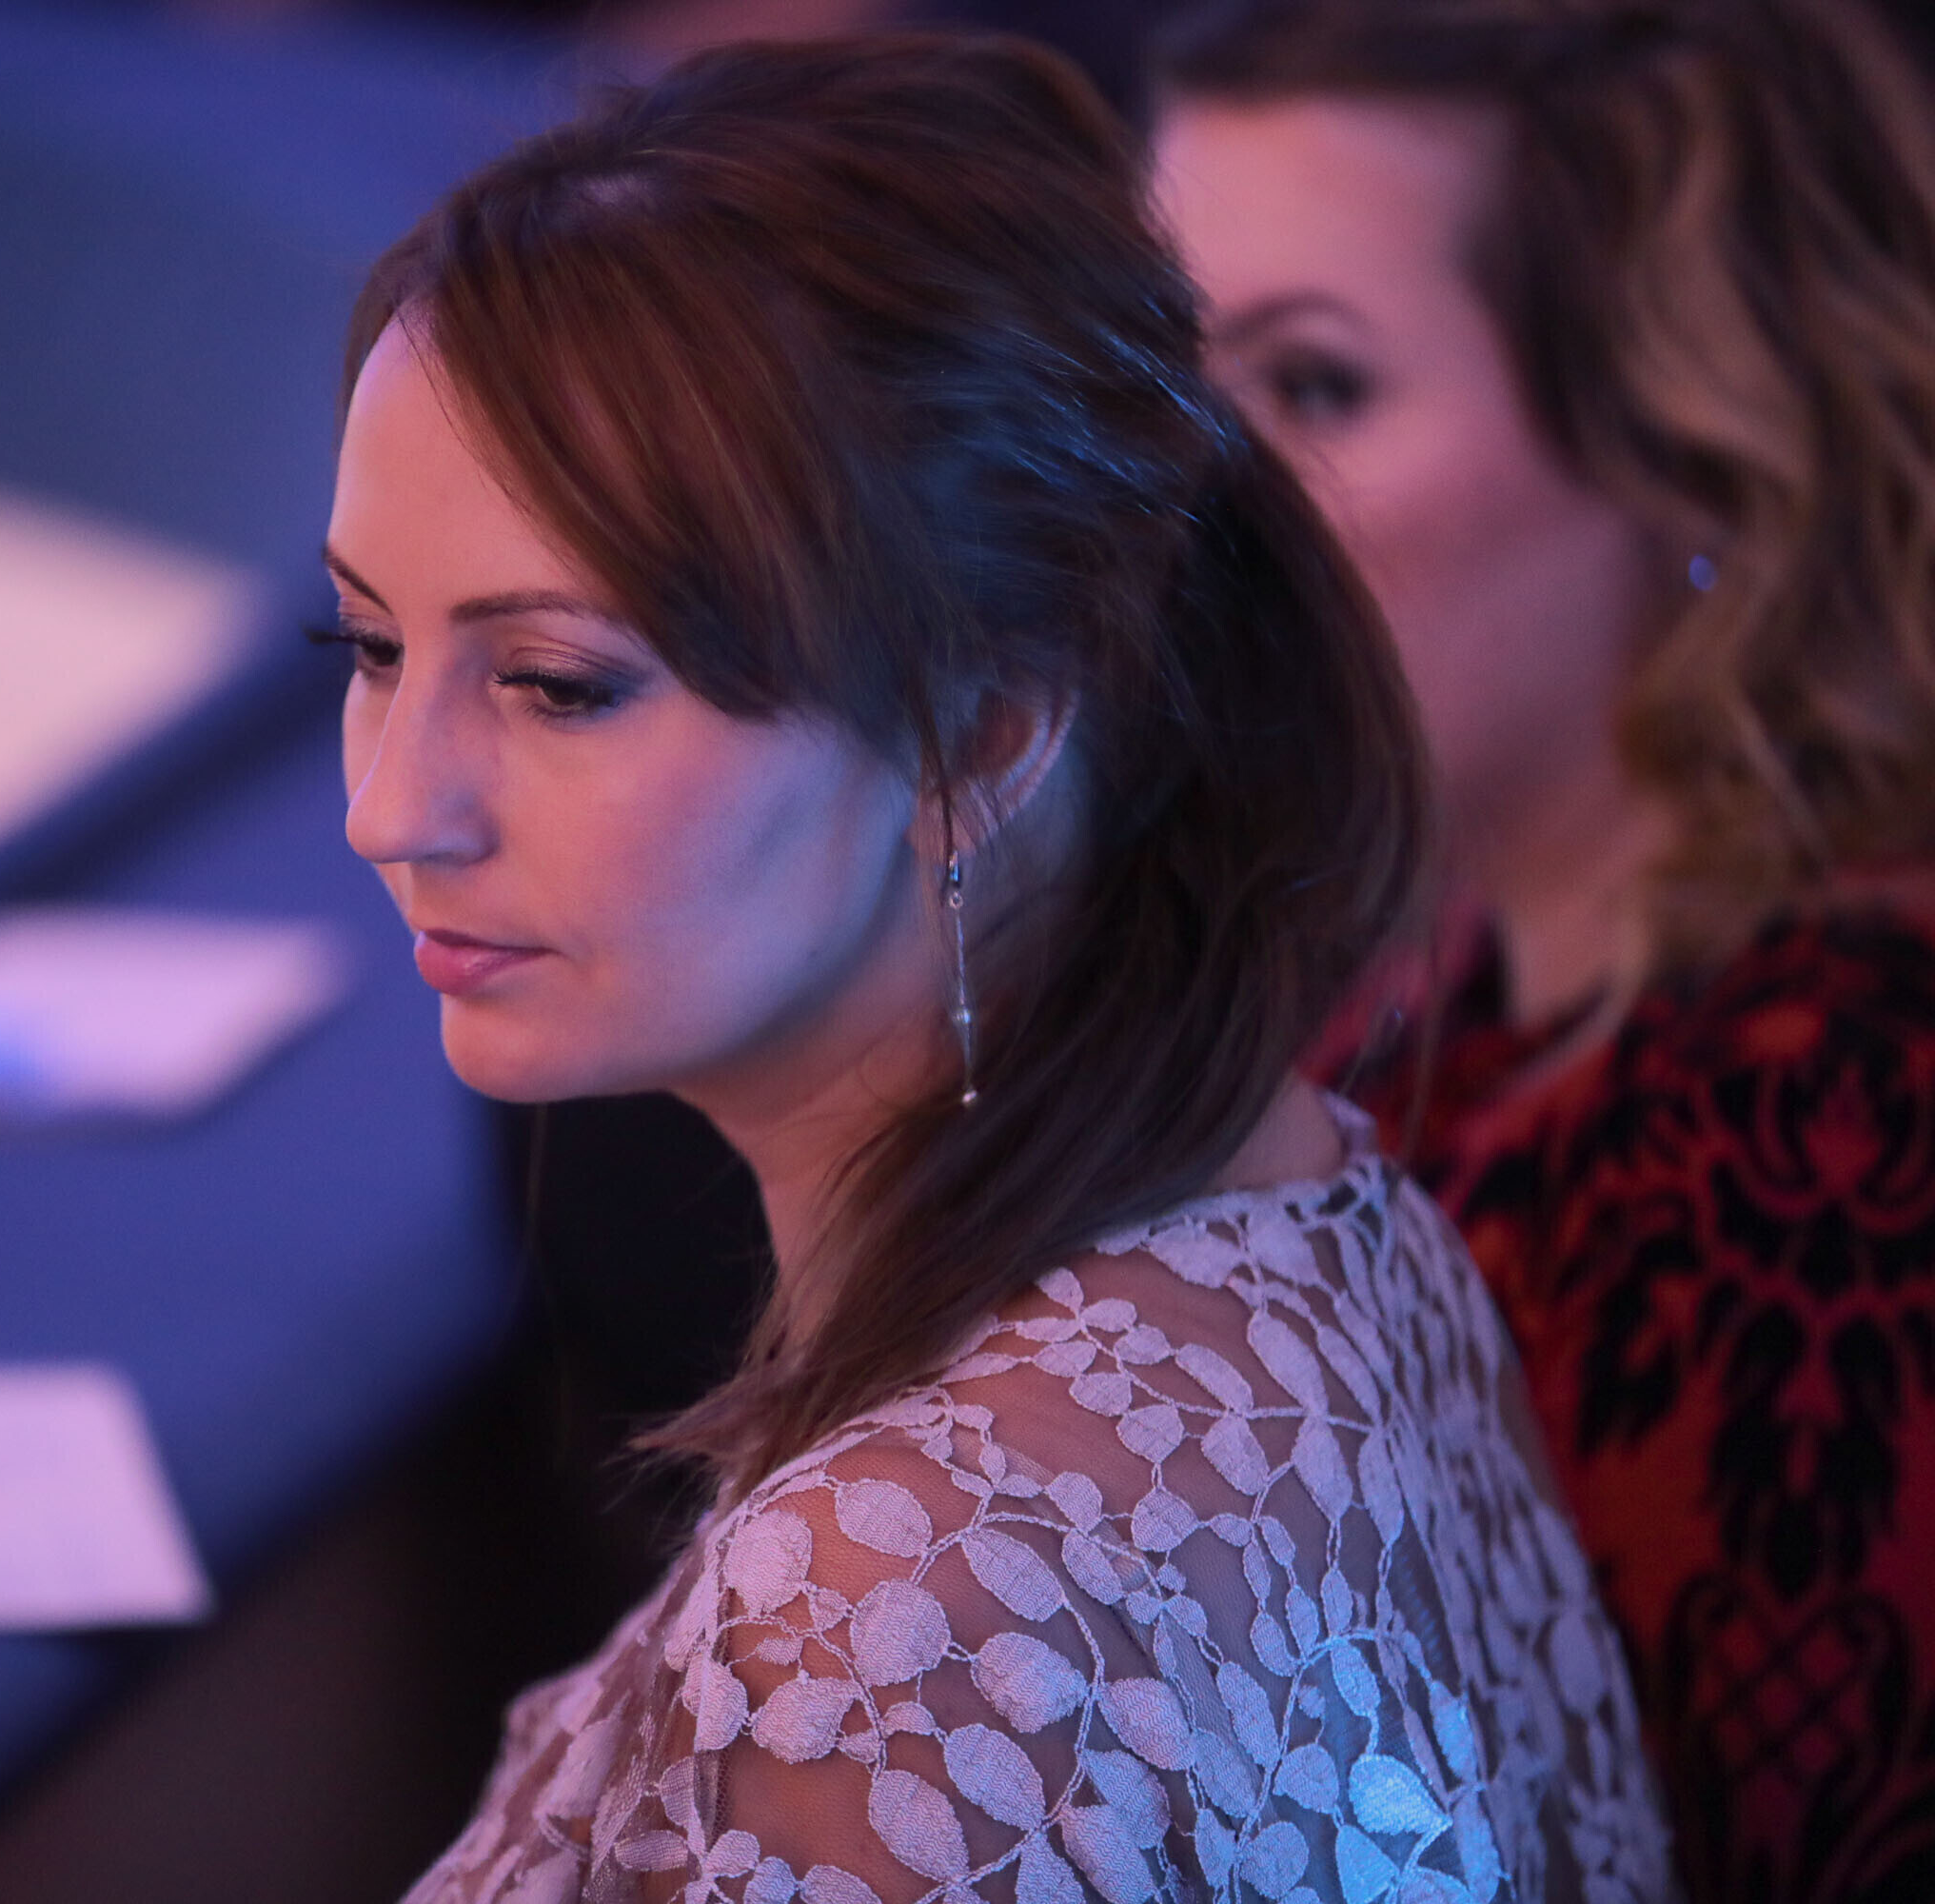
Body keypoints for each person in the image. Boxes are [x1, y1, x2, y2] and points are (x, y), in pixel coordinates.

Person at [323, 34, 1674, 1903]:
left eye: (556, 683)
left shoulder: (887, 1622)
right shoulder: (1312, 1203)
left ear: (983, 731)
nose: (391, 808)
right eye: (369, 646)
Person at [1145, 3, 1935, 1898]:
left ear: (1697, 452)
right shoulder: (1425, 984)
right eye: (1158, 377)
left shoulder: (1827, 1141)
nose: (1179, 507)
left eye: (1315, 388)